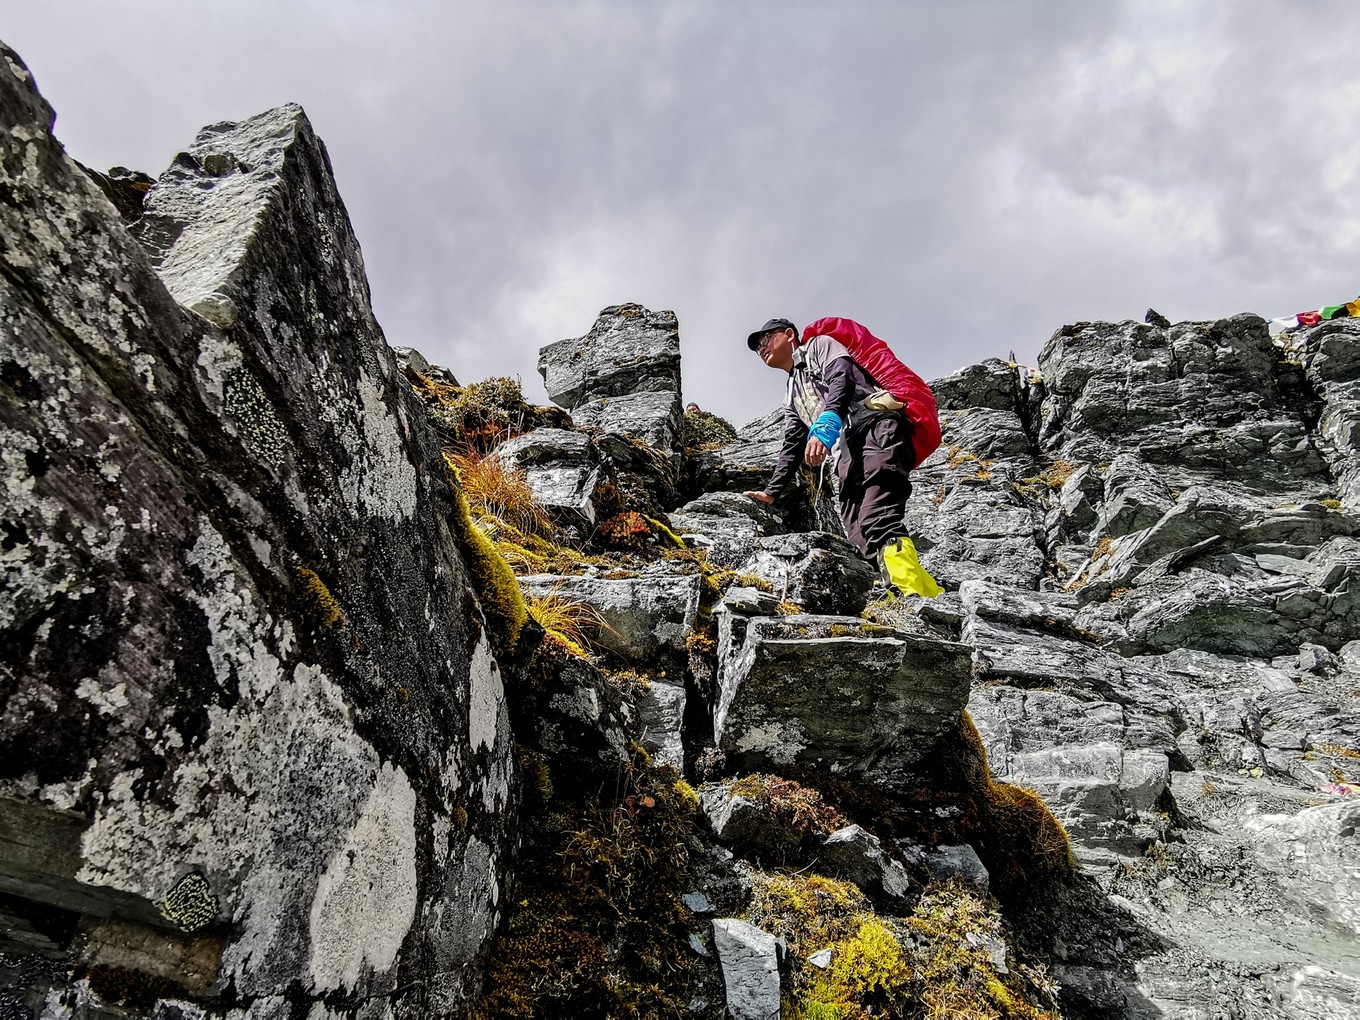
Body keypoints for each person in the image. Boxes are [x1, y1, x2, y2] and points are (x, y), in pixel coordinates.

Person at [741, 317, 942, 598]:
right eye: (756, 347)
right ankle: (927, 594)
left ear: (788, 334)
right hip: (846, 454)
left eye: (765, 339)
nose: (761, 348)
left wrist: (827, 423)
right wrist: (772, 492)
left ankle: (909, 593)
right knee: (858, 533)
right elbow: (793, 443)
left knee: (877, 515)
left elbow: (842, 378)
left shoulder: (819, 347)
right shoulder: (791, 392)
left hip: (875, 429)